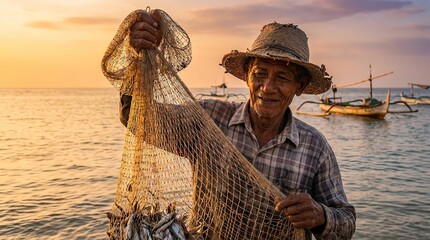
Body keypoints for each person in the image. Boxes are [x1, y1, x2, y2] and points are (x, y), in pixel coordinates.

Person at [120, 9, 356, 239]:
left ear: (300, 86)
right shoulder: (209, 120)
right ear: (246, 75)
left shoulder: (315, 148)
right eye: (260, 74)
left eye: (282, 78)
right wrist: (140, 56)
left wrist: (321, 216)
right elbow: (138, 117)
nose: (267, 87)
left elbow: (346, 223)